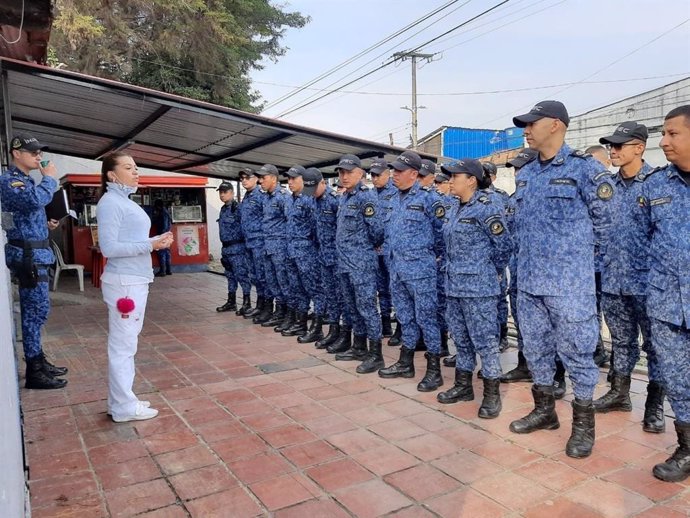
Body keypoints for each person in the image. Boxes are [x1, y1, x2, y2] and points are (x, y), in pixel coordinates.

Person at [508, 100, 614, 459]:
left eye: (531, 123)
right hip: (530, 283)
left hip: (569, 286)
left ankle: (583, 426)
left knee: (578, 355)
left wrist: (580, 264)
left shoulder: (585, 170)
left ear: (554, 125)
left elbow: (608, 224)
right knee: (536, 350)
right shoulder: (527, 173)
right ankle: (545, 411)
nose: (525, 129)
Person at [594, 122, 664, 434]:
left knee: (656, 346)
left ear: (639, 147)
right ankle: (620, 393)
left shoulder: (658, 183)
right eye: (611, 145)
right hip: (613, 279)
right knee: (621, 341)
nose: (614, 149)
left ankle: (655, 404)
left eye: (620, 145)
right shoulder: (605, 187)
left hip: (649, 284)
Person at [97, 152, 173, 422]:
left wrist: (155, 240)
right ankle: (123, 407)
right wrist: (150, 245)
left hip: (133, 280)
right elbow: (109, 248)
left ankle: (121, 400)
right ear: (112, 175)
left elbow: (131, 240)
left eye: (136, 167)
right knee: (123, 346)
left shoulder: (122, 200)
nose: (136, 172)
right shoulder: (110, 203)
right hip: (125, 283)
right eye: (128, 168)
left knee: (126, 344)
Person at [436, 159, 512, 418]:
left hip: (479, 286)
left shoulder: (487, 207)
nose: (450, 180)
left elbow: (503, 246)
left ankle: (492, 395)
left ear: (471, 179)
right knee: (461, 339)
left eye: (455, 176)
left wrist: (491, 272)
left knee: (485, 341)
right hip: (454, 284)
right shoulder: (454, 207)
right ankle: (462, 386)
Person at [638, 105, 690, 482]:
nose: (663, 141)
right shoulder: (655, 185)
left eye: (673, 133)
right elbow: (641, 240)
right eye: (663, 133)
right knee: (677, 380)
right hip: (668, 305)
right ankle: (687, 448)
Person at [0, 133, 68, 390]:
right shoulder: (10, 181)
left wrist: (47, 223)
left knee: (38, 312)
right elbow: (32, 201)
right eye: (33, 152)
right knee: (33, 313)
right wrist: (49, 178)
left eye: (40, 152)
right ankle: (34, 371)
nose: (39, 156)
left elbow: (30, 212)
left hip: (36, 253)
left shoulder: (26, 181)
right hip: (27, 256)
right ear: (16, 153)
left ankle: (38, 359)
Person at [378, 151, 446, 392]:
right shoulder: (393, 199)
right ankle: (405, 363)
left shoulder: (429, 199)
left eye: (399, 171)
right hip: (396, 270)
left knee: (428, 319)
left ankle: (434, 371)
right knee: (405, 317)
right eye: (393, 170)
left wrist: (432, 259)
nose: (394, 175)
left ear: (414, 174)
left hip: (421, 271)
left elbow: (443, 234)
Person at [332, 154, 385, 373]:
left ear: (360, 174)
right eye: (341, 172)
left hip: (361, 263)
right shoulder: (344, 197)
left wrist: (365, 249)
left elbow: (377, 231)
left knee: (367, 308)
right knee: (351, 307)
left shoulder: (367, 197)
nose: (344, 177)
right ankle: (359, 346)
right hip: (345, 263)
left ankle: (376, 354)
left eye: (349, 172)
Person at [500, 148, 538, 383]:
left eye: (521, 167)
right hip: (518, 271)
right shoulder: (513, 200)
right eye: (515, 168)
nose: (517, 172)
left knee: (546, 327)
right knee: (521, 320)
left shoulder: (544, 197)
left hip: (541, 274)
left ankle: (555, 374)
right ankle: (524, 364)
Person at [280, 165, 321, 339]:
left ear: (303, 180)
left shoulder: (308, 199)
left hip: (306, 252)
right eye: (288, 179)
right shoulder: (289, 200)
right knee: (296, 289)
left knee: (314, 289)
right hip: (291, 251)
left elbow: (316, 228)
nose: (290, 182)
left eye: (293, 179)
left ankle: (317, 327)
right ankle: (301, 323)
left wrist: (311, 249)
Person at [303, 167, 343, 346]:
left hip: (337, 258)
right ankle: (332, 331)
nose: (311, 193)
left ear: (322, 183)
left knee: (341, 297)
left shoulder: (335, 201)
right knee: (329, 296)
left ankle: (343, 334)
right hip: (322, 257)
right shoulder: (313, 201)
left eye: (313, 189)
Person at [253, 164, 292, 326]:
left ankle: (289, 314)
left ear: (274, 178)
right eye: (260, 178)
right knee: (271, 281)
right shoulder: (266, 198)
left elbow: (291, 223)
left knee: (284, 282)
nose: (260, 181)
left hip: (280, 248)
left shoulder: (283, 197)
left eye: (264, 177)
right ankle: (279, 311)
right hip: (267, 247)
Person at [482, 162, 511, 352]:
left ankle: (502, 336)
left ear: (492, 176)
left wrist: (499, 265)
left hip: (496, 258)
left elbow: (505, 229)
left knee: (500, 299)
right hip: (481, 259)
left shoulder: (501, 197)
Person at [369, 158, 396, 339]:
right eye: (372, 175)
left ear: (388, 174)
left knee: (395, 289)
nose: (375, 178)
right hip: (374, 250)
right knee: (381, 289)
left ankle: (400, 329)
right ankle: (385, 323)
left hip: (391, 250)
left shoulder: (396, 193)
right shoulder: (370, 195)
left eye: (378, 175)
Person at [215, 182, 252, 313]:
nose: (222, 195)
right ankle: (231, 302)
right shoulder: (223, 209)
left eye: (225, 192)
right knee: (230, 276)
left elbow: (245, 228)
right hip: (226, 249)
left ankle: (247, 303)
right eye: (220, 192)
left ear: (232, 193)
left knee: (242, 275)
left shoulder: (238, 208)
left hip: (237, 249)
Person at [238, 168, 268, 317]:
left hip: (259, 243)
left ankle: (266, 307)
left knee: (262, 275)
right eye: (242, 178)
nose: (244, 180)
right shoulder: (247, 196)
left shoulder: (261, 196)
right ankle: (260, 305)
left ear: (256, 178)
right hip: (248, 242)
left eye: (247, 177)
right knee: (254, 276)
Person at [152, 199, 172, 277]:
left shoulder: (163, 214)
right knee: (167, 253)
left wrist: (161, 235)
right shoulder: (166, 212)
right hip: (167, 234)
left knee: (162, 253)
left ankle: (163, 271)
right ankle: (168, 270)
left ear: (158, 206)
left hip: (163, 234)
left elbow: (164, 225)